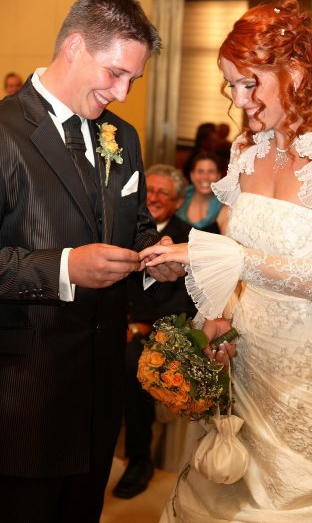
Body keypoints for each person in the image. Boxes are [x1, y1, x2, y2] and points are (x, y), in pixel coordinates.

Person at [0, 0, 182, 523]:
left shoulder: (123, 137)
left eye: (133, 80)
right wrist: (65, 267)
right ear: (74, 47)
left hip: (97, 398)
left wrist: (156, 255)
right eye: (115, 73)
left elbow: (135, 227)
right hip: (21, 396)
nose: (122, 93)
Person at [140, 0, 312, 522]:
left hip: (307, 369)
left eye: (250, 84)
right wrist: (216, 317)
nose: (240, 102)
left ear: (296, 73)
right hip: (241, 359)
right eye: (231, 86)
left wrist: (208, 253)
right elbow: (232, 252)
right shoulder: (245, 147)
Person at [113, 164, 195, 500]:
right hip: (114, 322)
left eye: (164, 193)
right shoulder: (120, 228)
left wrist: (137, 326)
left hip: (160, 330)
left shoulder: (189, 239)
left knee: (132, 362)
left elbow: (185, 304)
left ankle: (139, 459)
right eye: (151, 191)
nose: (155, 198)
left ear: (178, 202)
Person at [176, 152, 222, 233]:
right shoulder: (178, 198)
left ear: (218, 176)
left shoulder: (225, 205)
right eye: (200, 171)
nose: (205, 177)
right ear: (192, 176)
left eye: (211, 172)